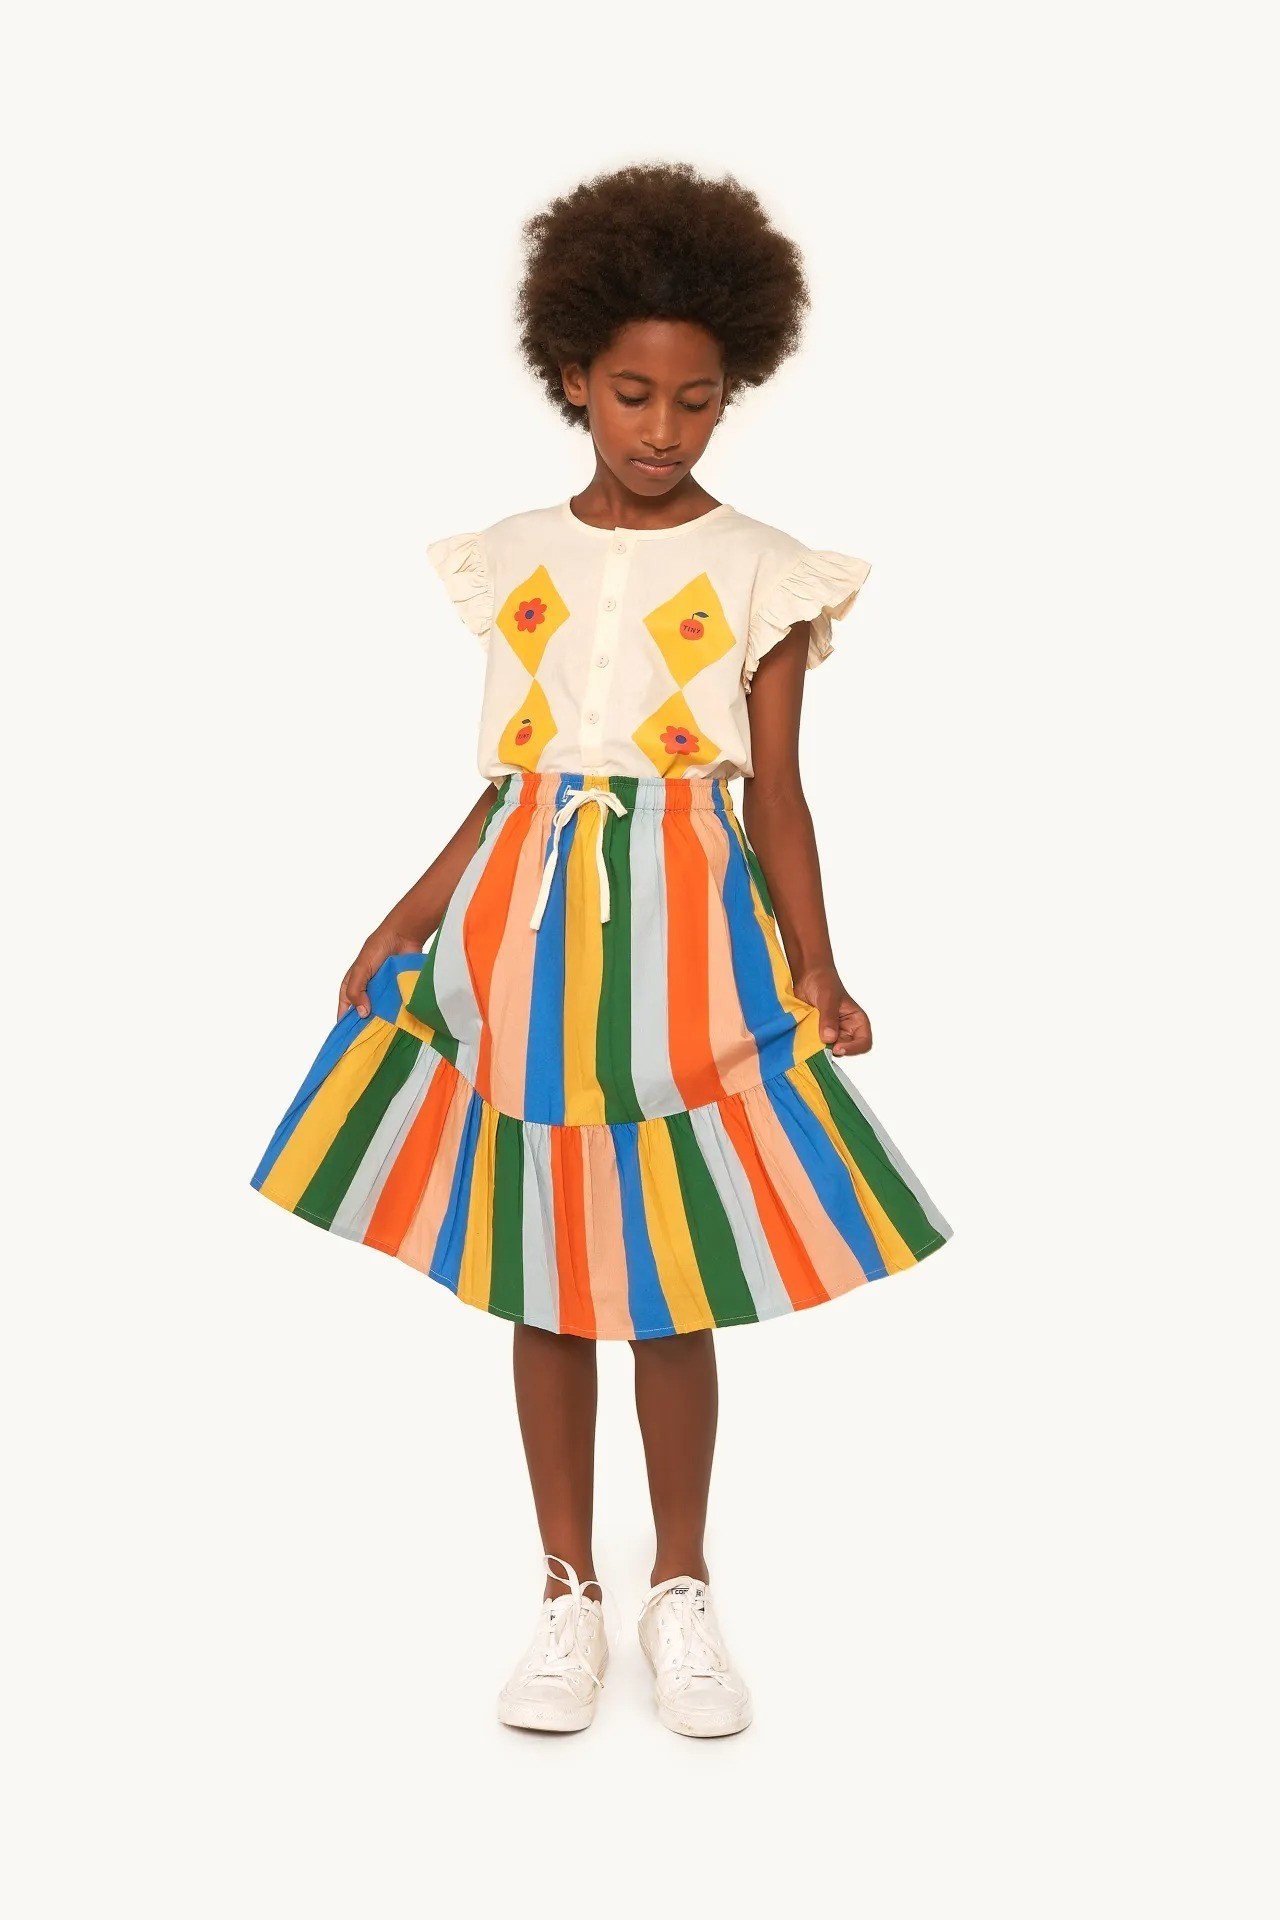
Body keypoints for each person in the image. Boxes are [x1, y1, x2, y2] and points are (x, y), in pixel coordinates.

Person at [251, 160, 953, 1739]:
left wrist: (821, 969)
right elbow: (516, 784)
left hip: (690, 944)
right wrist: (405, 914)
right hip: (519, 942)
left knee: (672, 1275)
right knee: (548, 1276)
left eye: (698, 401)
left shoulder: (764, 568)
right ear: (571, 375)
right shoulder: (513, 553)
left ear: (733, 390)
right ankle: (566, 1587)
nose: (664, 429)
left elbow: (779, 794)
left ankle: (679, 1585)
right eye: (633, 394)